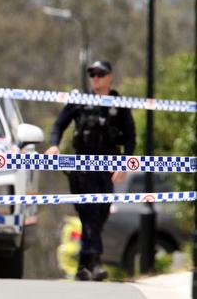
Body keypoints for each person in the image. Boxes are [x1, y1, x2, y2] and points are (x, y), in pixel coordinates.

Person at [45, 60, 136, 282]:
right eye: (92, 74)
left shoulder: (118, 103)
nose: (95, 77)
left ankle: (83, 265)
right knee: (89, 213)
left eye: (100, 73)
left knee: (101, 213)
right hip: (82, 167)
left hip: (107, 166)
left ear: (110, 76)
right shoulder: (80, 100)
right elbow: (58, 125)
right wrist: (54, 145)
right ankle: (94, 262)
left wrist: (124, 163)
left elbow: (131, 137)